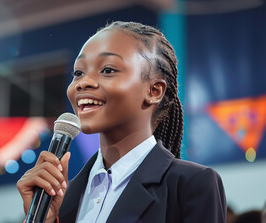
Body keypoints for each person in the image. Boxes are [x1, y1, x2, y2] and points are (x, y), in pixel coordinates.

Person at [17, 21, 227, 222]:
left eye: (107, 70)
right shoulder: (60, 198)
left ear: (154, 91)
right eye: (78, 73)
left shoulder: (192, 184)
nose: (82, 83)